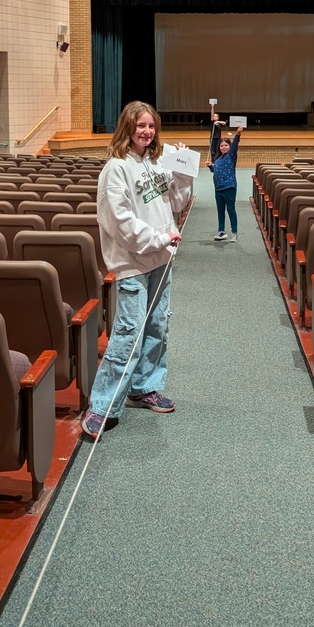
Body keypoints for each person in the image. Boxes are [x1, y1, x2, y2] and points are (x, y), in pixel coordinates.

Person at [81, 100, 193, 440]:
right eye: (141, 125)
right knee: (128, 333)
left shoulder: (157, 161)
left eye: (151, 126)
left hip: (161, 259)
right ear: (127, 127)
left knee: (158, 326)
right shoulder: (115, 168)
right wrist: (159, 238)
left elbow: (176, 202)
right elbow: (121, 222)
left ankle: (144, 388)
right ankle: (102, 406)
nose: (147, 131)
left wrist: (183, 171)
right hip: (132, 263)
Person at [206, 113, 244, 242]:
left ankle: (234, 232)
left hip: (229, 187)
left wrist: (237, 134)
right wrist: (211, 166)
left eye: (226, 145)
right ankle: (221, 231)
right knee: (220, 210)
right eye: (221, 146)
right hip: (218, 188)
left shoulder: (231, 156)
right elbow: (215, 170)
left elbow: (235, 145)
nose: (224, 147)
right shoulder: (217, 159)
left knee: (231, 210)